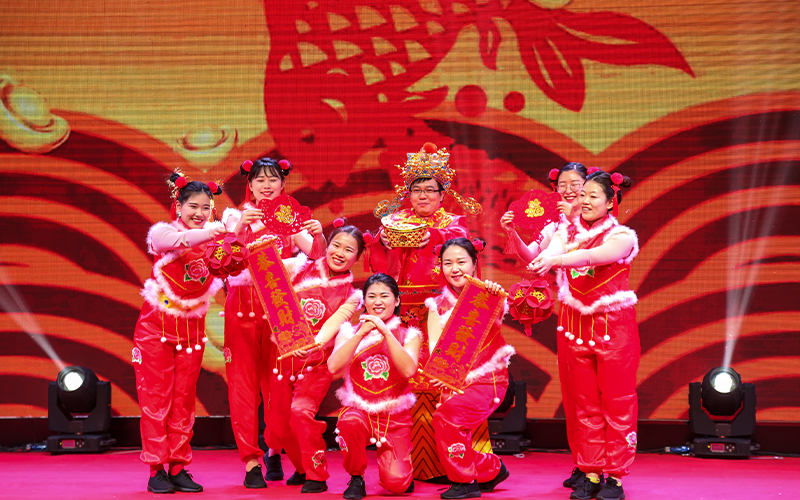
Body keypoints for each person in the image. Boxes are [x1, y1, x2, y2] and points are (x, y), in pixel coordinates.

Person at [371, 142, 482, 480]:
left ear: (442, 194)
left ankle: (457, 460)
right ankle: (405, 460)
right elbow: (380, 269)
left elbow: (459, 254)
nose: (422, 195)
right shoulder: (394, 223)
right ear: (408, 194)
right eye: (416, 189)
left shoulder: (454, 225)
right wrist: (382, 243)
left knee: (444, 380)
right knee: (404, 381)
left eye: (430, 189)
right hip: (403, 316)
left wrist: (431, 235)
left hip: (442, 314)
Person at [529, 170, 638, 500]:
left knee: (617, 402)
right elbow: (555, 246)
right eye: (583, 195)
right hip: (575, 326)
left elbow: (593, 256)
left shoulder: (622, 236)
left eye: (593, 196)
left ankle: (615, 477)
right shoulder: (567, 231)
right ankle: (591, 472)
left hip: (613, 328)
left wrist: (555, 259)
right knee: (583, 403)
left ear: (610, 202)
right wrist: (545, 256)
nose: (585, 201)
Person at [222, 157, 326, 488]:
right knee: (242, 385)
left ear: (283, 185)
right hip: (243, 307)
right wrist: (240, 228)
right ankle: (251, 462)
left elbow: (317, 256)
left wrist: (319, 235)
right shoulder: (234, 217)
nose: (266, 185)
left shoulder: (289, 220)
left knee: (280, 385)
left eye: (273, 179)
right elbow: (223, 259)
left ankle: (277, 450)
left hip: (280, 309)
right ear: (249, 186)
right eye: (259, 180)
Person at [133, 172, 226, 494]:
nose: (200, 213)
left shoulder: (214, 242)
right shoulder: (164, 232)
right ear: (179, 206)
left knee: (184, 401)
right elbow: (175, 243)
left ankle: (178, 466)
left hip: (191, 330)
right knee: (155, 400)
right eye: (193, 206)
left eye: (206, 208)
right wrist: (213, 231)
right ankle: (156, 469)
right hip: (155, 329)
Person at [500, 162, 589, 490]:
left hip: (596, 313)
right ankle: (583, 461)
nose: (568, 190)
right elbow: (533, 259)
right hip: (569, 314)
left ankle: (600, 466)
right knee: (573, 391)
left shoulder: (598, 227)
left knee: (593, 393)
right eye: (562, 184)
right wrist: (512, 232)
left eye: (576, 184)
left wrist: (572, 220)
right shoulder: (554, 226)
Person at [267, 221, 366, 494]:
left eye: (349, 250)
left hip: (316, 364)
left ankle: (316, 475)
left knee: (300, 412)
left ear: (357, 257)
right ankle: (302, 468)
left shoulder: (352, 296)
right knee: (278, 425)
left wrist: (310, 344)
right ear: (326, 245)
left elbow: (332, 325)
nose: (339, 253)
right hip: (283, 359)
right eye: (336, 245)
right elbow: (267, 276)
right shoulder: (299, 266)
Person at [425, 238, 514, 499]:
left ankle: (465, 481)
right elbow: (435, 348)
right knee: (449, 425)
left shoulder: (489, 296)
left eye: (461, 262)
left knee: (446, 418)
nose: (454, 268)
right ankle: (490, 468)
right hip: (453, 380)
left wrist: (495, 295)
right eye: (447, 263)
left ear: (474, 264)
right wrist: (439, 372)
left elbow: (501, 317)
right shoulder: (436, 305)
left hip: (487, 380)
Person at [328, 273, 422, 499]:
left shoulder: (410, 335)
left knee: (397, 484)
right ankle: (356, 477)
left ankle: (400, 472)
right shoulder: (348, 332)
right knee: (349, 422)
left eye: (384, 296)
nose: (377, 301)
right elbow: (333, 367)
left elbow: (408, 371)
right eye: (371, 296)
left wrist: (385, 332)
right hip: (359, 409)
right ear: (364, 301)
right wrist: (360, 333)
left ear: (397, 300)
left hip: (394, 416)